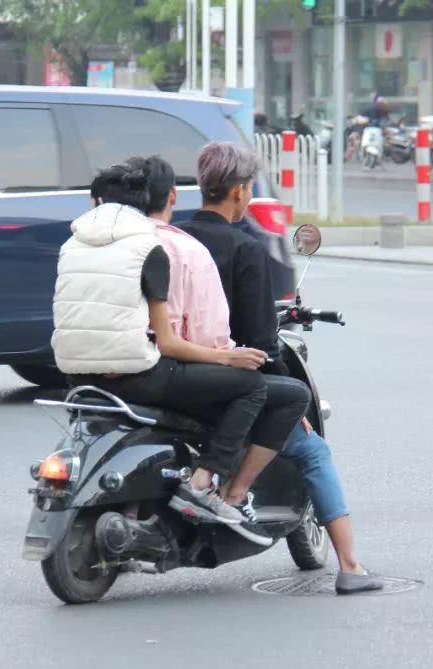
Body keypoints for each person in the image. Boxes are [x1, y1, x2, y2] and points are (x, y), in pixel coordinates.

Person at [51, 164, 307, 544]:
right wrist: (228, 358)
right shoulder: (150, 250)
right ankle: (206, 486)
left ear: (95, 202)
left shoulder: (71, 247)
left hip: (76, 377)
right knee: (255, 387)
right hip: (139, 378)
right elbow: (169, 343)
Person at [177, 142, 384, 594]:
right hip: (224, 380)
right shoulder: (244, 249)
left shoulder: (173, 237)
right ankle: (350, 566)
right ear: (237, 191)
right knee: (309, 445)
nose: (249, 195)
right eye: (249, 187)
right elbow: (260, 340)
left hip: (168, 372)